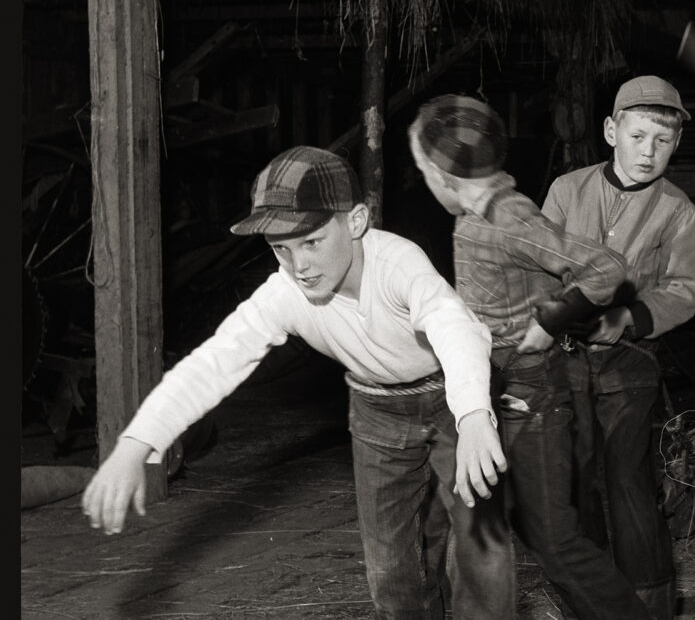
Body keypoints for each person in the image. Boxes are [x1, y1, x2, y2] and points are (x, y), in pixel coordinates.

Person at [80, 145, 516, 619]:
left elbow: (453, 326)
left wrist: (474, 414)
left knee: (481, 548)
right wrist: (135, 443)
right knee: (390, 574)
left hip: (454, 397)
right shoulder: (285, 293)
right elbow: (213, 363)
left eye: (311, 241)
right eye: (280, 248)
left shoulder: (397, 263)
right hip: (376, 410)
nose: (299, 265)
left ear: (355, 222)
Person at [407, 94, 651, 620]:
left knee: (555, 542)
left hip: (530, 394)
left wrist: (548, 321)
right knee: (465, 521)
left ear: (442, 175)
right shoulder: (478, 217)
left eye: (423, 171)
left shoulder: (504, 218)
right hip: (499, 391)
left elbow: (606, 267)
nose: (424, 182)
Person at [541, 75, 695, 619]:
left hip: (629, 362)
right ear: (612, 131)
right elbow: (538, 262)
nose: (647, 152)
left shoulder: (677, 211)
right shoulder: (568, 190)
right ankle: (588, 600)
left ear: (676, 144)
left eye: (662, 141)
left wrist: (628, 318)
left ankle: (651, 604)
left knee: (628, 477)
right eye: (637, 137)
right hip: (565, 358)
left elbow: (685, 289)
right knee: (575, 477)